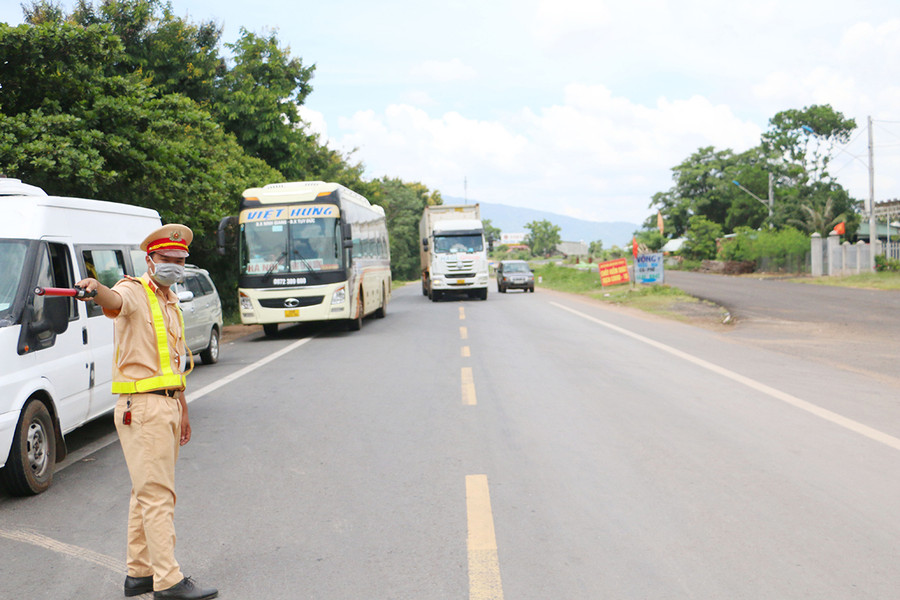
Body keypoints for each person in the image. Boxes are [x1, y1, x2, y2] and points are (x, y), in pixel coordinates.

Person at [76, 224, 218, 600]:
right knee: (158, 495)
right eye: (167, 260)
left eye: (180, 260)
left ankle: (139, 574)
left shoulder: (170, 301)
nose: (174, 265)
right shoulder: (134, 292)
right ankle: (168, 581)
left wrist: (183, 409)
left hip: (167, 403)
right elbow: (112, 300)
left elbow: (172, 362)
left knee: (145, 493)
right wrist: (95, 287)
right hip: (143, 408)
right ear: (150, 261)